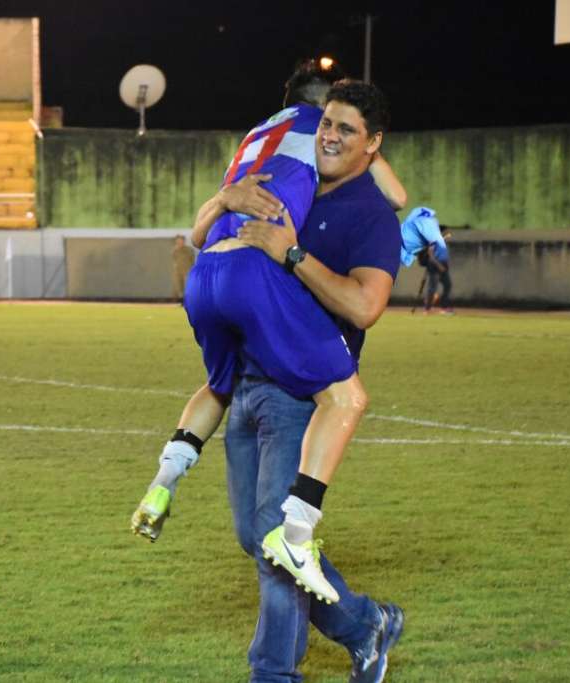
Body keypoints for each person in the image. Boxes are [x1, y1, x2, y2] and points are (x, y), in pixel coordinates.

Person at [131, 76, 405, 606]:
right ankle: (300, 531)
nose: (329, 132)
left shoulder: (257, 137)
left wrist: (225, 197)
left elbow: (195, 234)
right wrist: (367, 161)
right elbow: (396, 196)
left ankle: (163, 480)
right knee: (347, 397)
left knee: (219, 381)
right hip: (251, 272)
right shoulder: (321, 135)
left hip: (203, 276)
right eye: (327, 119)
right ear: (315, 107)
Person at [214, 80, 406, 683]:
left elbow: (365, 306)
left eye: (347, 129)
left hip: (308, 395)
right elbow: (212, 239)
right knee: (255, 536)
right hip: (247, 382)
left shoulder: (372, 216)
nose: (329, 135)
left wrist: (292, 254)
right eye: (327, 122)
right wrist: (225, 201)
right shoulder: (293, 184)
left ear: (373, 144)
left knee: (275, 537)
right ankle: (364, 624)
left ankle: (273, 673)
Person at [171, 234, 195, 302]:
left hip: (187, 270)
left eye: (181, 240)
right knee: (179, 286)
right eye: (178, 241)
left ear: (184, 241)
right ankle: (181, 300)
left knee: (187, 286)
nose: (179, 242)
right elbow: (174, 259)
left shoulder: (189, 250)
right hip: (178, 271)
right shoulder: (175, 250)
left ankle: (189, 301)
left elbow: (192, 260)